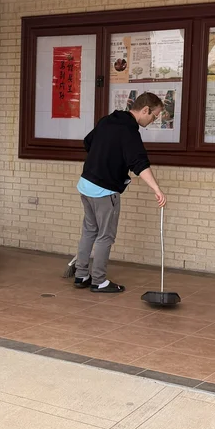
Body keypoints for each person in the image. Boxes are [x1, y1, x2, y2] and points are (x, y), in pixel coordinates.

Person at [74, 92, 167, 294]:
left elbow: (88, 142)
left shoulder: (107, 121)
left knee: (90, 231)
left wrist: (104, 158)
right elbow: (139, 163)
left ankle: (81, 274)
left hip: (86, 183)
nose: (153, 120)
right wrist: (156, 188)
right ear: (145, 110)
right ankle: (98, 280)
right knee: (105, 236)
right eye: (154, 115)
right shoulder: (129, 132)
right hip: (104, 190)